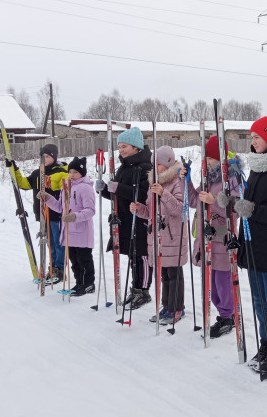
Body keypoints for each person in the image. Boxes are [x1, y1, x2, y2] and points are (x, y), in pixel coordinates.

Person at [219, 116, 267, 373]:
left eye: (258, 137)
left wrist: (251, 210)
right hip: (252, 243)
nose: (253, 142)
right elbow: (247, 203)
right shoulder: (257, 166)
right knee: (259, 298)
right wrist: (231, 201)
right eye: (251, 137)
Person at [181, 136, 241, 338]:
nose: (205, 162)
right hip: (206, 239)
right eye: (205, 158)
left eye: (209, 158)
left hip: (223, 240)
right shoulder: (208, 179)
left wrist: (213, 201)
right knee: (212, 285)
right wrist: (187, 181)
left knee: (223, 283)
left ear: (218, 158)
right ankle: (223, 314)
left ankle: (228, 317)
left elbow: (235, 211)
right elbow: (192, 201)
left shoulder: (232, 178)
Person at [96, 127, 153, 310]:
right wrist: (105, 189)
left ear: (136, 147)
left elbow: (143, 194)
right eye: (119, 146)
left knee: (142, 255)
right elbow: (117, 194)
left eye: (124, 146)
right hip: (125, 219)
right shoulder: (123, 167)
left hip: (140, 218)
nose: (121, 150)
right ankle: (135, 288)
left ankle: (143, 290)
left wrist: (116, 187)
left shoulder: (145, 168)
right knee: (132, 255)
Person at [131, 146, 188, 324]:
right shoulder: (153, 182)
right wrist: (139, 209)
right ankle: (167, 307)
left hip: (173, 236)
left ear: (168, 163)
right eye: (154, 162)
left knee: (174, 274)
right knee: (164, 275)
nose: (155, 166)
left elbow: (179, 209)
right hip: (157, 237)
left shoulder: (177, 181)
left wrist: (163, 194)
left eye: (159, 163)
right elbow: (150, 212)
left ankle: (177, 308)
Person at [7, 143, 69, 283]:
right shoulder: (37, 173)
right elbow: (23, 184)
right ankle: (52, 268)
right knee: (49, 243)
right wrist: (14, 169)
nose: (44, 159)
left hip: (56, 214)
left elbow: (65, 191)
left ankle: (59, 269)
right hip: (43, 215)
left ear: (54, 157)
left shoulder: (61, 172)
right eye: (42, 156)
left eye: (47, 156)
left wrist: (50, 188)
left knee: (58, 242)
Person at [38, 157, 96, 296]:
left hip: (81, 232)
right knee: (74, 261)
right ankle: (79, 283)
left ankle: (88, 283)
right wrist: (48, 198)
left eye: (75, 172)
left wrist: (75, 216)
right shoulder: (66, 187)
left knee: (84, 259)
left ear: (82, 173)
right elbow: (60, 207)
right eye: (70, 172)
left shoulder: (85, 188)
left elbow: (90, 210)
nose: (71, 175)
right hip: (68, 231)